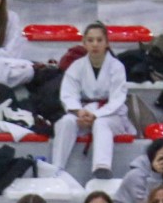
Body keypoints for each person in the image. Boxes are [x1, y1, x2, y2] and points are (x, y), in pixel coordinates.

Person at [51, 23, 134, 178]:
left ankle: (102, 167)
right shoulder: (76, 66)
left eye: (99, 40)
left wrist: (96, 115)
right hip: (84, 112)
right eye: (90, 40)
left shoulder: (117, 67)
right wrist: (79, 112)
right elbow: (68, 94)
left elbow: (117, 99)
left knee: (101, 124)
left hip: (111, 116)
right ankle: (56, 168)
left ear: (107, 43)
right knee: (66, 122)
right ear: (84, 43)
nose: (95, 44)